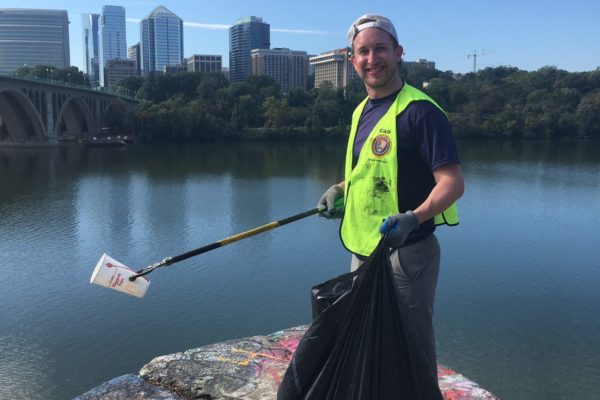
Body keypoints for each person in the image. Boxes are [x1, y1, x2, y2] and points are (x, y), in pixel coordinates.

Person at [317, 14, 465, 393]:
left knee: (410, 349)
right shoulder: (361, 111)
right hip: (364, 251)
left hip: (408, 255)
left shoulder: (420, 111)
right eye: (362, 51)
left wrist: (413, 218)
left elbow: (452, 183)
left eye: (380, 48)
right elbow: (367, 172)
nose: (372, 58)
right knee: (366, 342)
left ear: (398, 53)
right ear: (352, 61)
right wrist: (339, 189)